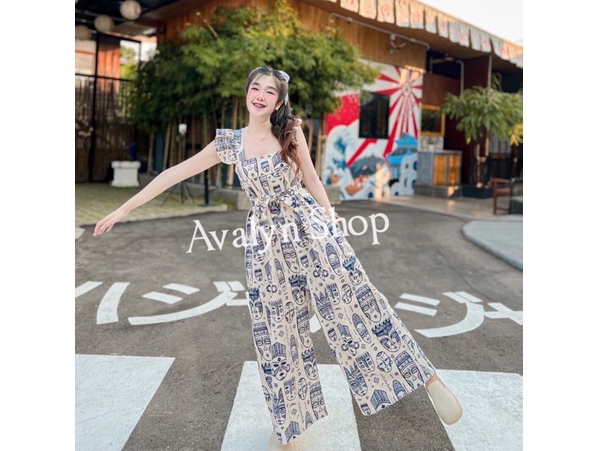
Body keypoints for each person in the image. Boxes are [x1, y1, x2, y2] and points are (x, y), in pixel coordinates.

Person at [94, 66, 463, 449]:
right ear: (247, 93)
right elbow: (174, 173)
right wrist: (124, 208)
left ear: (278, 101)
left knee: (353, 302)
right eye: (255, 87)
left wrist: (331, 220)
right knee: (277, 331)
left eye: (269, 91)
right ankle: (290, 424)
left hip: (310, 228)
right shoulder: (229, 143)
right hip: (266, 245)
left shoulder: (290, 132)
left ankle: (427, 378)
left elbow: (312, 180)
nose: (260, 95)